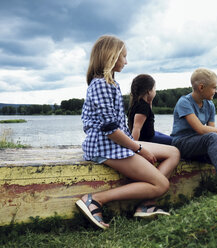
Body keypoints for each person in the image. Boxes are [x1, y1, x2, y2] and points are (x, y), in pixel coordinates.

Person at [76, 35, 180, 230]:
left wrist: (135, 146)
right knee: (161, 185)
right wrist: (139, 149)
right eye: (123, 56)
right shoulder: (101, 84)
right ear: (111, 56)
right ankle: (95, 200)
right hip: (105, 146)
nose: (126, 61)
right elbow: (109, 129)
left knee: (173, 152)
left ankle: (145, 203)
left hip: (116, 141)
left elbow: (115, 127)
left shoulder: (111, 84)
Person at [127, 74, 172, 145]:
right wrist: (134, 147)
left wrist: (150, 101)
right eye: (154, 88)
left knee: (172, 138)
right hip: (147, 139)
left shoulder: (137, 103)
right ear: (148, 91)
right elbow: (136, 128)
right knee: (174, 142)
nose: (155, 91)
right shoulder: (143, 107)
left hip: (151, 134)